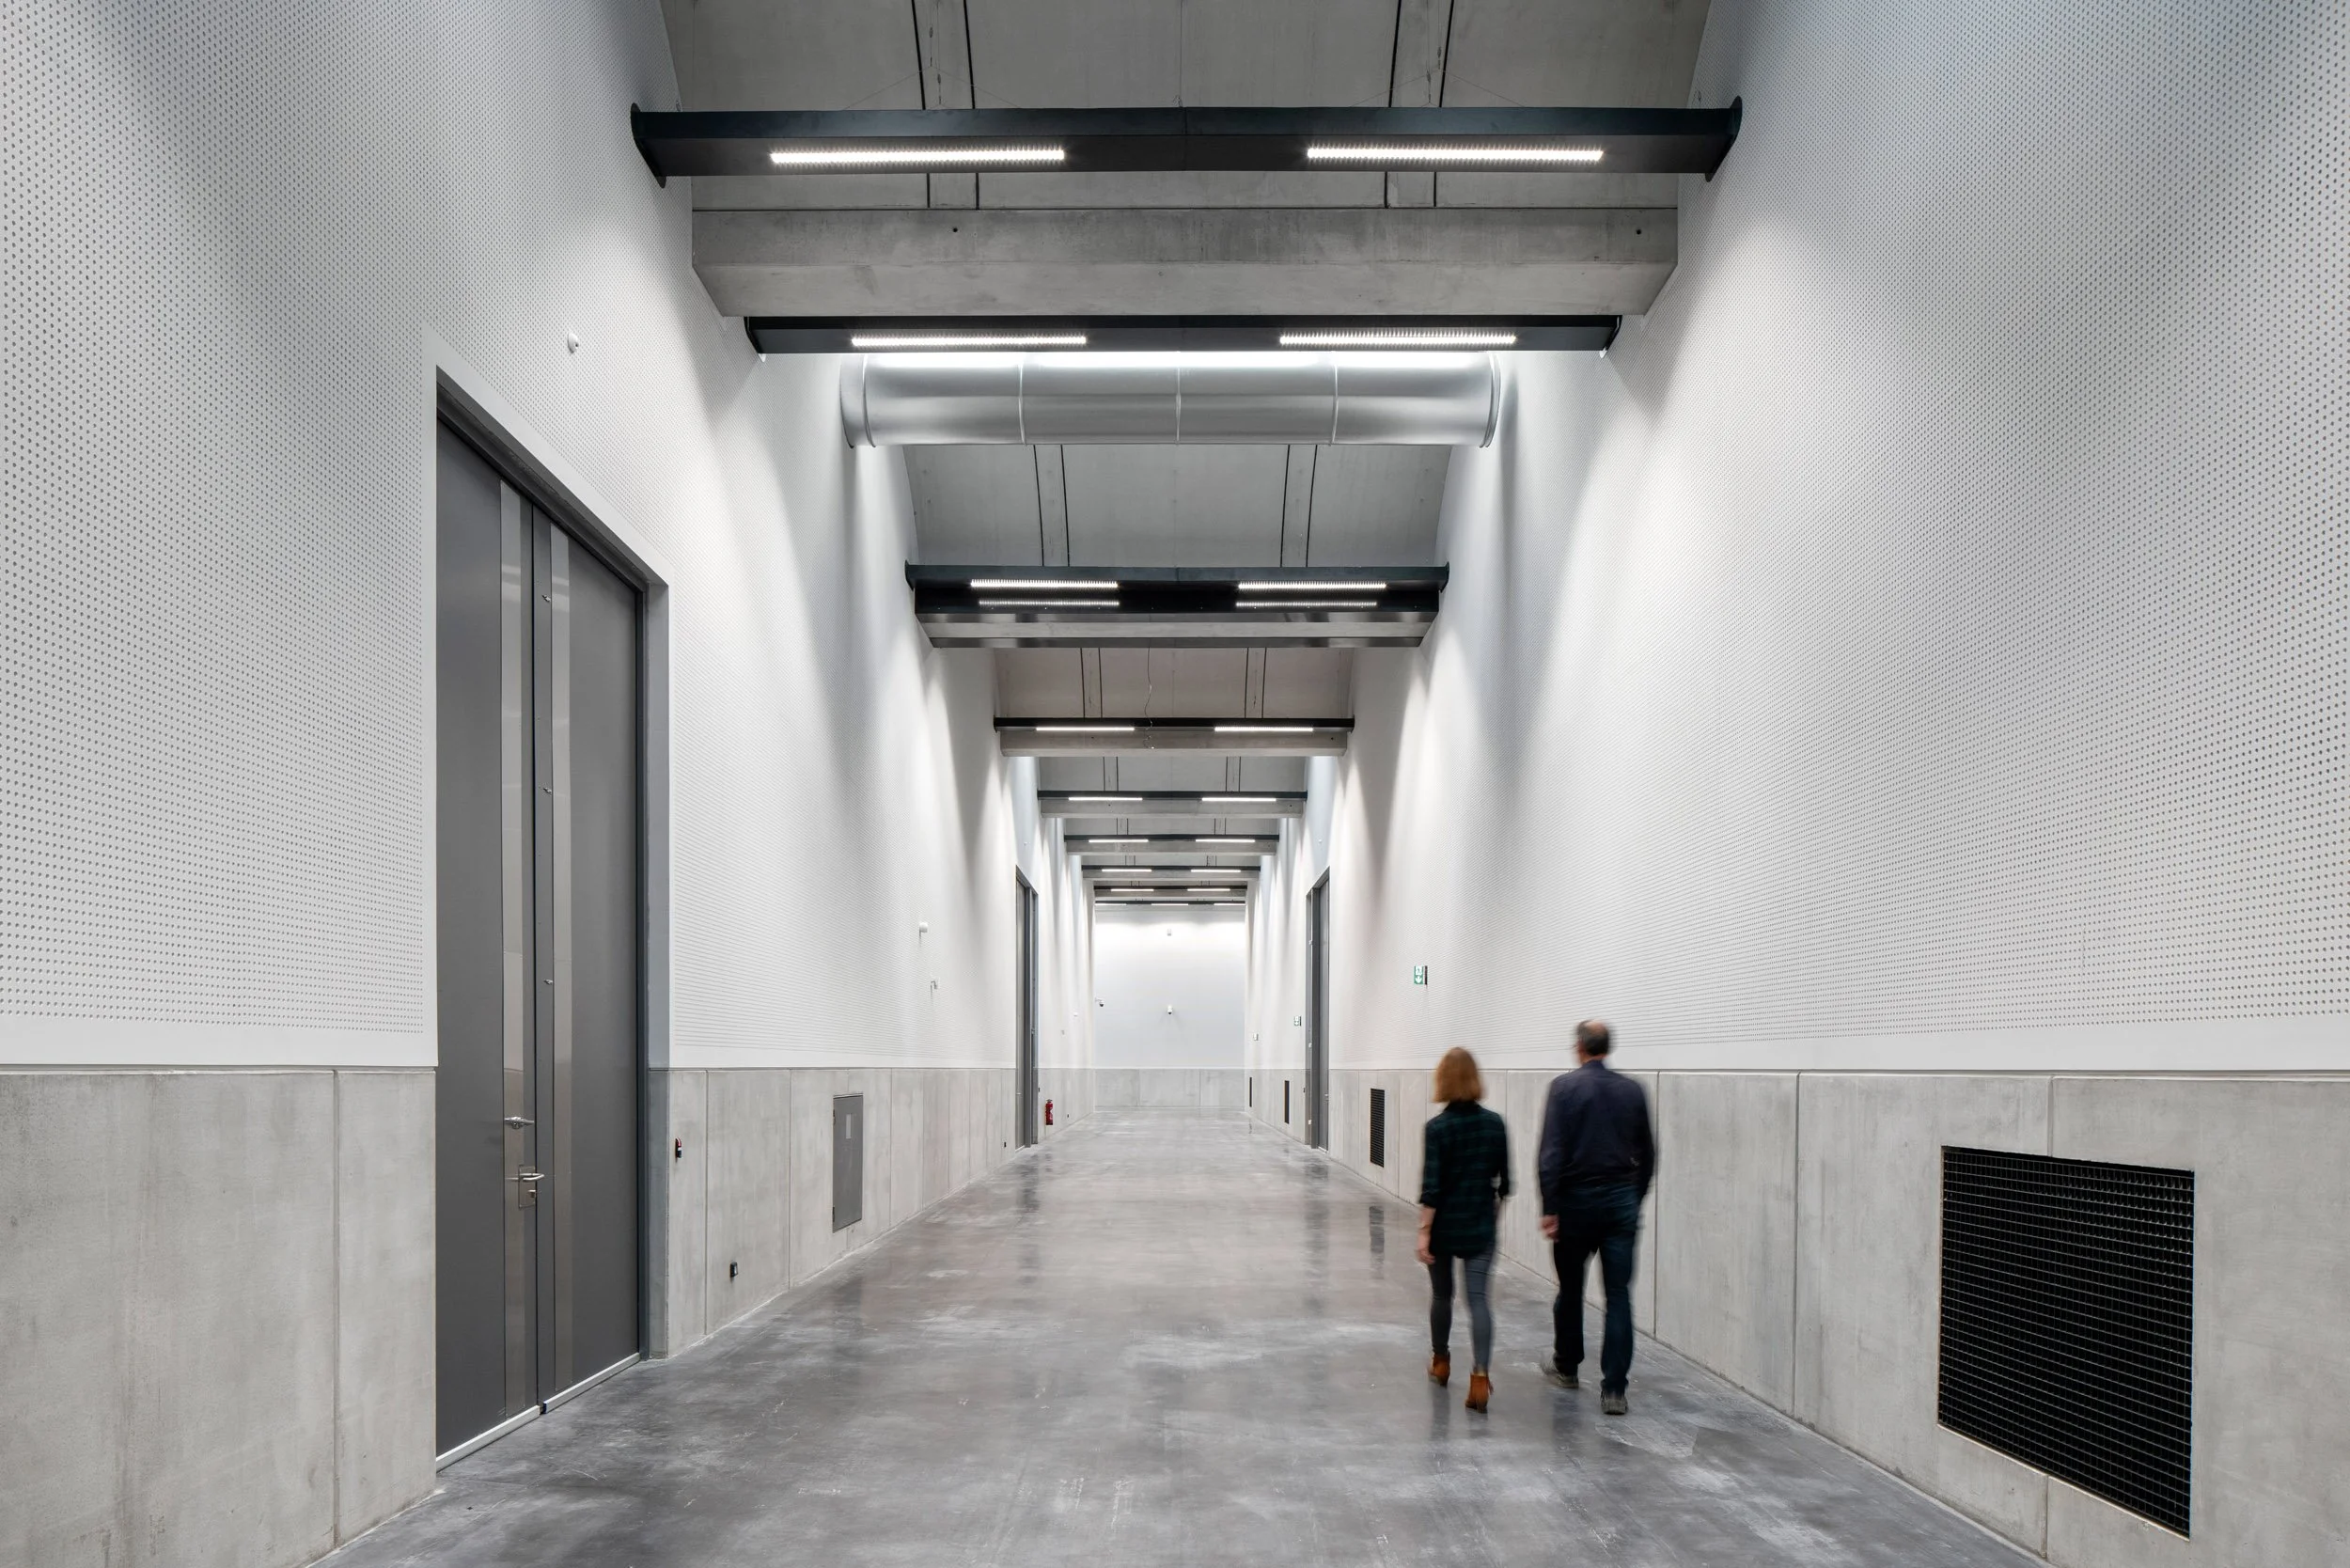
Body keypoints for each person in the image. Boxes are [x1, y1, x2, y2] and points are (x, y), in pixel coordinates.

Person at [1537, 1019, 1653, 1416]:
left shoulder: (1564, 1089)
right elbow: (1648, 1154)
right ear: (1607, 1047)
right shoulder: (1633, 1090)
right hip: (1620, 1202)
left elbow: (1551, 1154)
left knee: (1570, 1288)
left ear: (1580, 1047)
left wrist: (1549, 1207)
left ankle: (1567, 1366)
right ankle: (1615, 1390)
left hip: (1575, 1204)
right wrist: (1633, 1197)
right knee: (1618, 1295)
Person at [1418, 1046, 1512, 1413]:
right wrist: (1492, 1216)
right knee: (1478, 1300)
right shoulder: (1495, 1124)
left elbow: (1432, 1187)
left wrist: (1424, 1231)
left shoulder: (1436, 1129)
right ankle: (1480, 1380)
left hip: (1443, 1227)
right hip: (1479, 1225)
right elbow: (1507, 1183)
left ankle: (1441, 1363)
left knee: (1442, 1296)